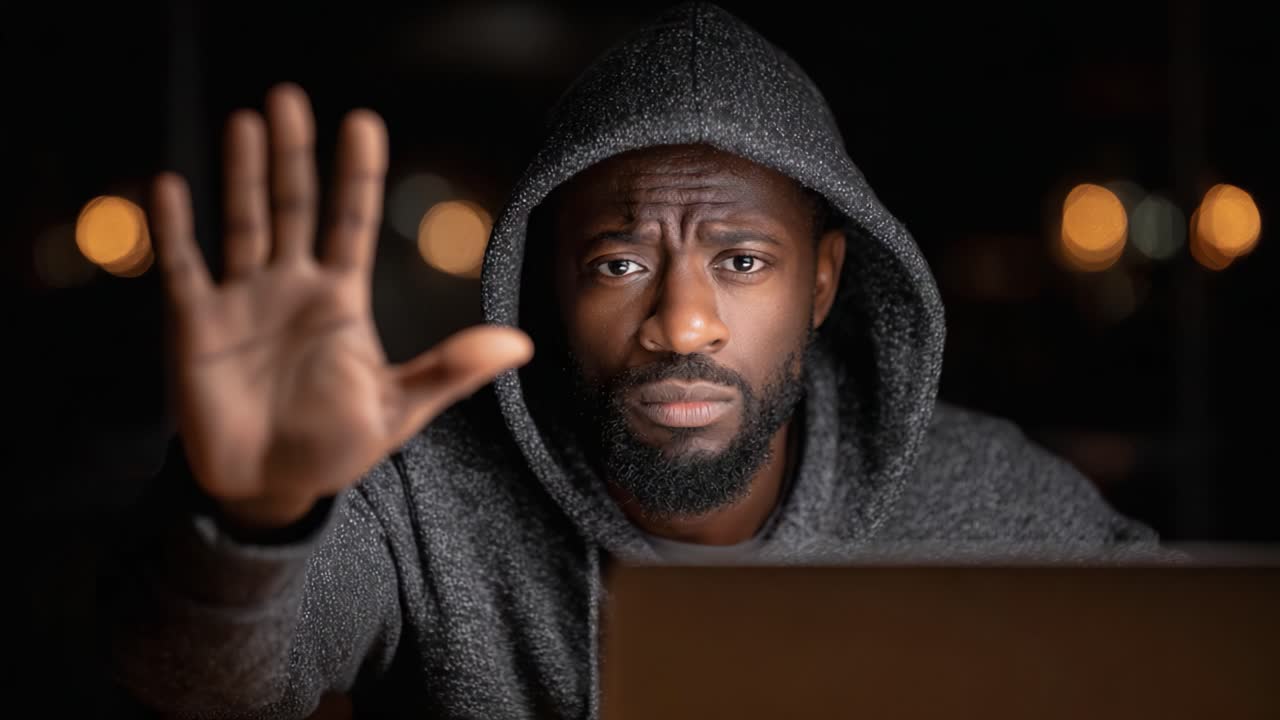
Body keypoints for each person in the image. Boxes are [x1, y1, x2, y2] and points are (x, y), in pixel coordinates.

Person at [109, 2, 1163, 718]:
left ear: (824, 283)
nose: (682, 324)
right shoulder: (423, 496)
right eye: (616, 262)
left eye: (741, 261)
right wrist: (252, 519)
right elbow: (208, 684)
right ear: (549, 284)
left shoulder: (986, 499)